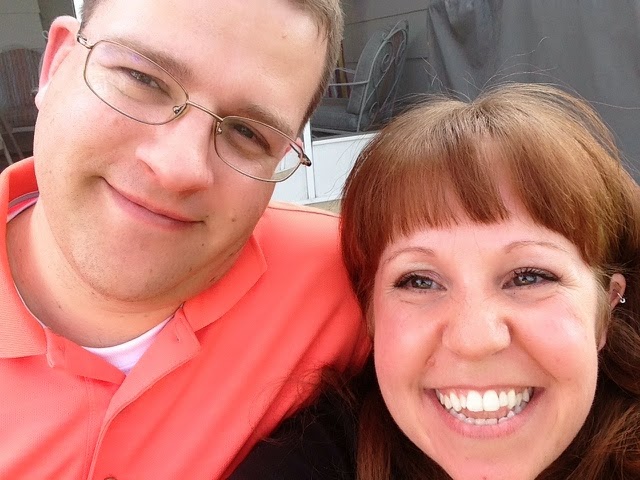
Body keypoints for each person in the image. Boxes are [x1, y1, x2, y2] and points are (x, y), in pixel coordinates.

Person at [0, 0, 370, 478]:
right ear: (57, 62)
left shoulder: (349, 273)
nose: (179, 168)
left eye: (247, 133)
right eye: (143, 79)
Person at [231, 83, 640, 479]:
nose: (474, 341)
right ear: (370, 316)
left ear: (605, 309)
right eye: (419, 282)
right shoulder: (319, 453)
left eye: (529, 277)